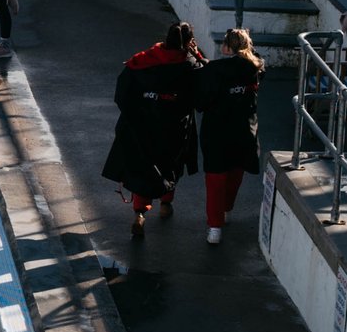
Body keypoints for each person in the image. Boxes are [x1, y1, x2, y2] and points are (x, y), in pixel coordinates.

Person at [103, 22, 204, 235]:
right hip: (175, 127)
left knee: (145, 167)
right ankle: (166, 204)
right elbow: (203, 91)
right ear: (188, 42)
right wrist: (198, 56)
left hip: (143, 124)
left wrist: (136, 112)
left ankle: (140, 213)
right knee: (171, 165)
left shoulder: (143, 60)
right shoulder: (191, 65)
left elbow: (122, 93)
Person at [197, 27, 264, 246]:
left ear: (226, 46)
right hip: (244, 131)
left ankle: (215, 227)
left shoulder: (214, 70)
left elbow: (202, 101)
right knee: (235, 175)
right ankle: (226, 210)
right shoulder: (254, 68)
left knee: (215, 180)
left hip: (216, 132)